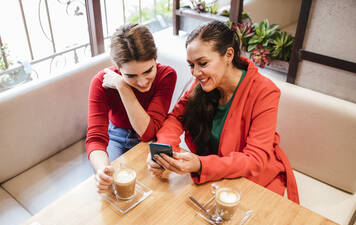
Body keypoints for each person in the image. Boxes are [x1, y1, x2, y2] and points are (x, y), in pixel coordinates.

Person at [147, 21, 299, 203]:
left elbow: (255, 160)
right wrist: (164, 151)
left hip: (253, 179)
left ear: (228, 55)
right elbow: (175, 119)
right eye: (191, 65)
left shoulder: (265, 92)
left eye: (202, 63)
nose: (195, 73)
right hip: (215, 177)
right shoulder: (203, 82)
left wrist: (201, 165)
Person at [86, 23, 177, 194]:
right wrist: (101, 170)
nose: (142, 82)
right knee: (114, 188)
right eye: (130, 75)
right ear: (117, 67)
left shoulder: (167, 75)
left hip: (153, 138)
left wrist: (123, 86)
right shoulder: (101, 82)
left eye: (148, 70)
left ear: (155, 58)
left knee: (157, 192)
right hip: (116, 136)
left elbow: (147, 133)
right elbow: (95, 138)